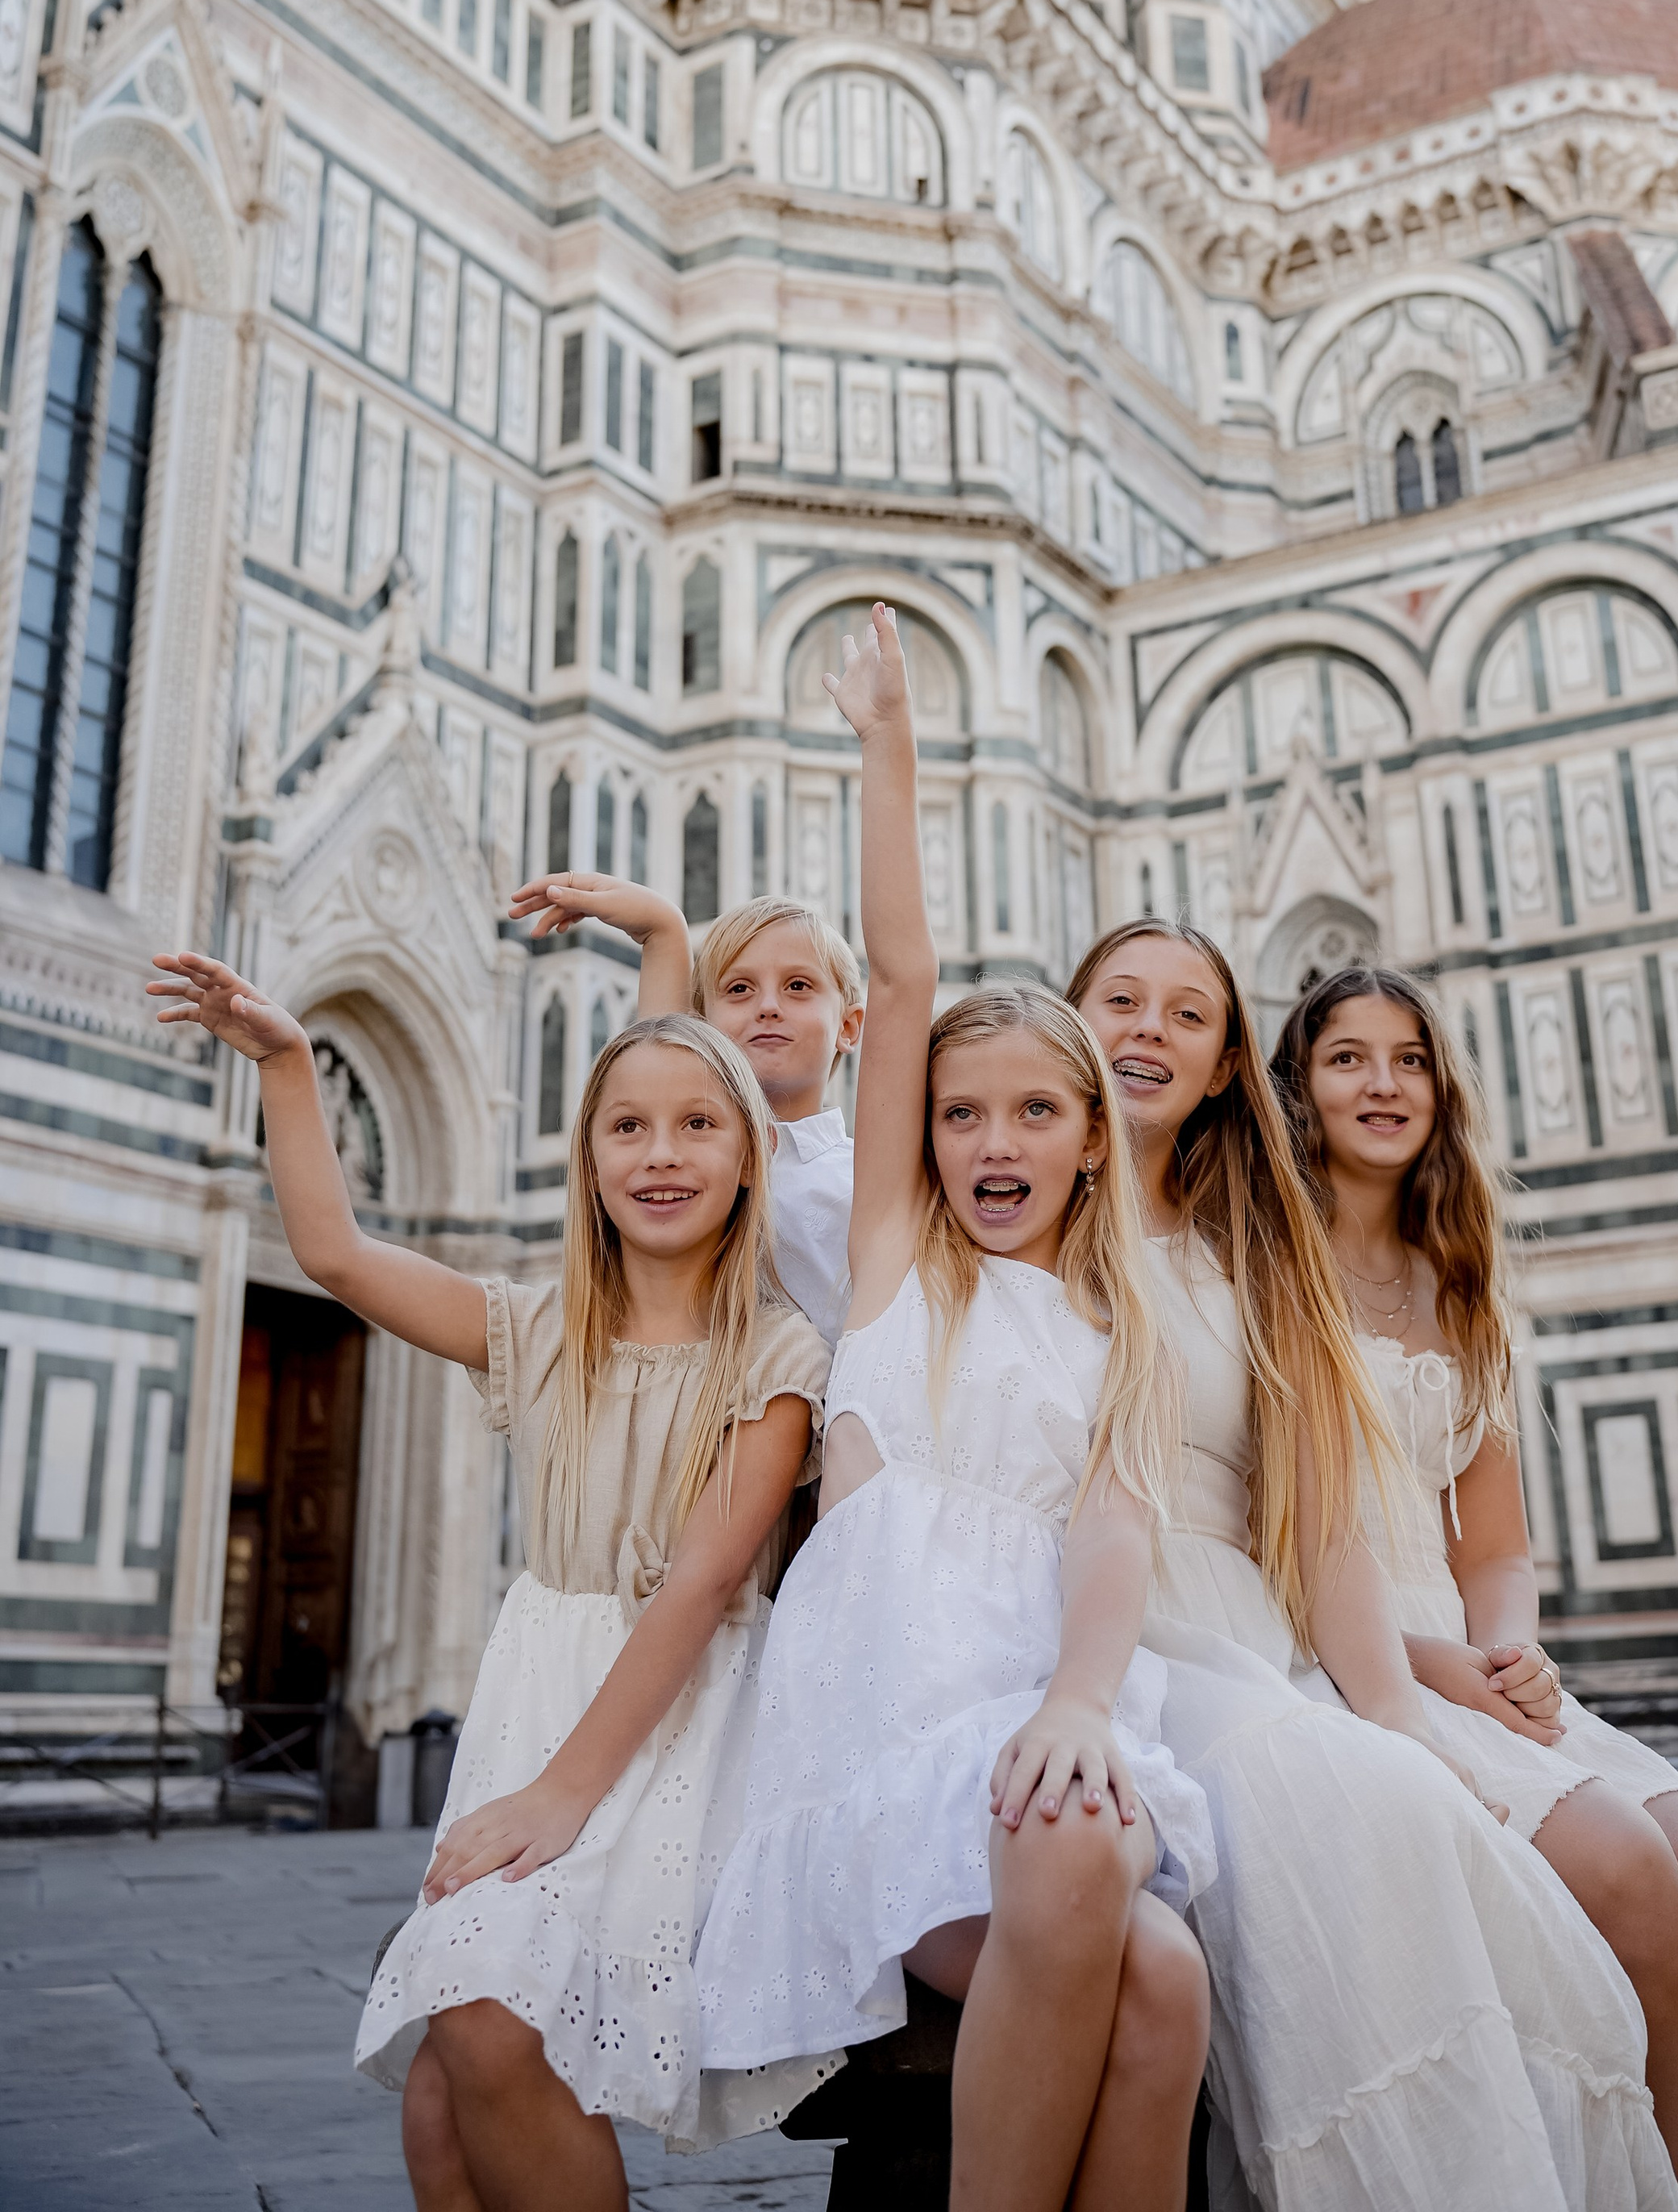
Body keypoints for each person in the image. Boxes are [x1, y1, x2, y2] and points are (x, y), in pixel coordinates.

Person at [145, 953, 833, 2209]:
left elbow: (697, 1589)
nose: (660, 1154)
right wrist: (291, 1065)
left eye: (697, 1125)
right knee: (441, 2091)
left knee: (483, 2018)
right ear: (588, 1162)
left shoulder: (775, 1356)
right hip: (540, 1685)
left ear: (749, 1159)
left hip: (672, 1728)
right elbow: (339, 1257)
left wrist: (559, 1796)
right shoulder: (540, 1329)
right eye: (626, 1127)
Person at [697, 610, 1215, 2212]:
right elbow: (903, 971)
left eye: (1036, 1112)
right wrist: (886, 744)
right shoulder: (889, 1266)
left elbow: (1118, 1522)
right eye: (961, 1112)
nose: (995, 1136)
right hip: (883, 1719)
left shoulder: (1111, 1320)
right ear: (922, 1136)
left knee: (1166, 1985)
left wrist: (1075, 1698)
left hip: (1034, 1690)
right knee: (1079, 1881)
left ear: (1082, 1141)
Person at [1070, 920, 1678, 2212]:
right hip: (1110, 1640)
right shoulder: (1000, 1196)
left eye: (1189, 1014)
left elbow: (1328, 1507)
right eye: (1118, 1001)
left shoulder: (1260, 1251)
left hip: (1258, 1634)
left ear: (1233, 1061)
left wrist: (1409, 1702)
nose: (1147, 1031)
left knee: (1549, 1849)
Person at [1271, 962, 1678, 2212]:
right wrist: (1438, 1666)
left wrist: (1510, 1649)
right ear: (1297, 1087)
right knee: (1629, 1870)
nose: (1384, 1082)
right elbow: (1276, 1541)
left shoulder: (1463, 1288)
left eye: (1411, 1058)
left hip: (1473, 1664)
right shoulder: (1266, 1274)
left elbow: (1495, 1545)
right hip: (1344, 1659)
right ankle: (1651, 2188)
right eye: (1349, 1056)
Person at [508, 877, 862, 1343]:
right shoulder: (695, 1161)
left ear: (849, 1026)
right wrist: (663, 931)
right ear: (703, 1023)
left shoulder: (866, 1175)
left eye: (798, 986)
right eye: (739, 989)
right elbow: (663, 1066)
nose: (769, 1006)